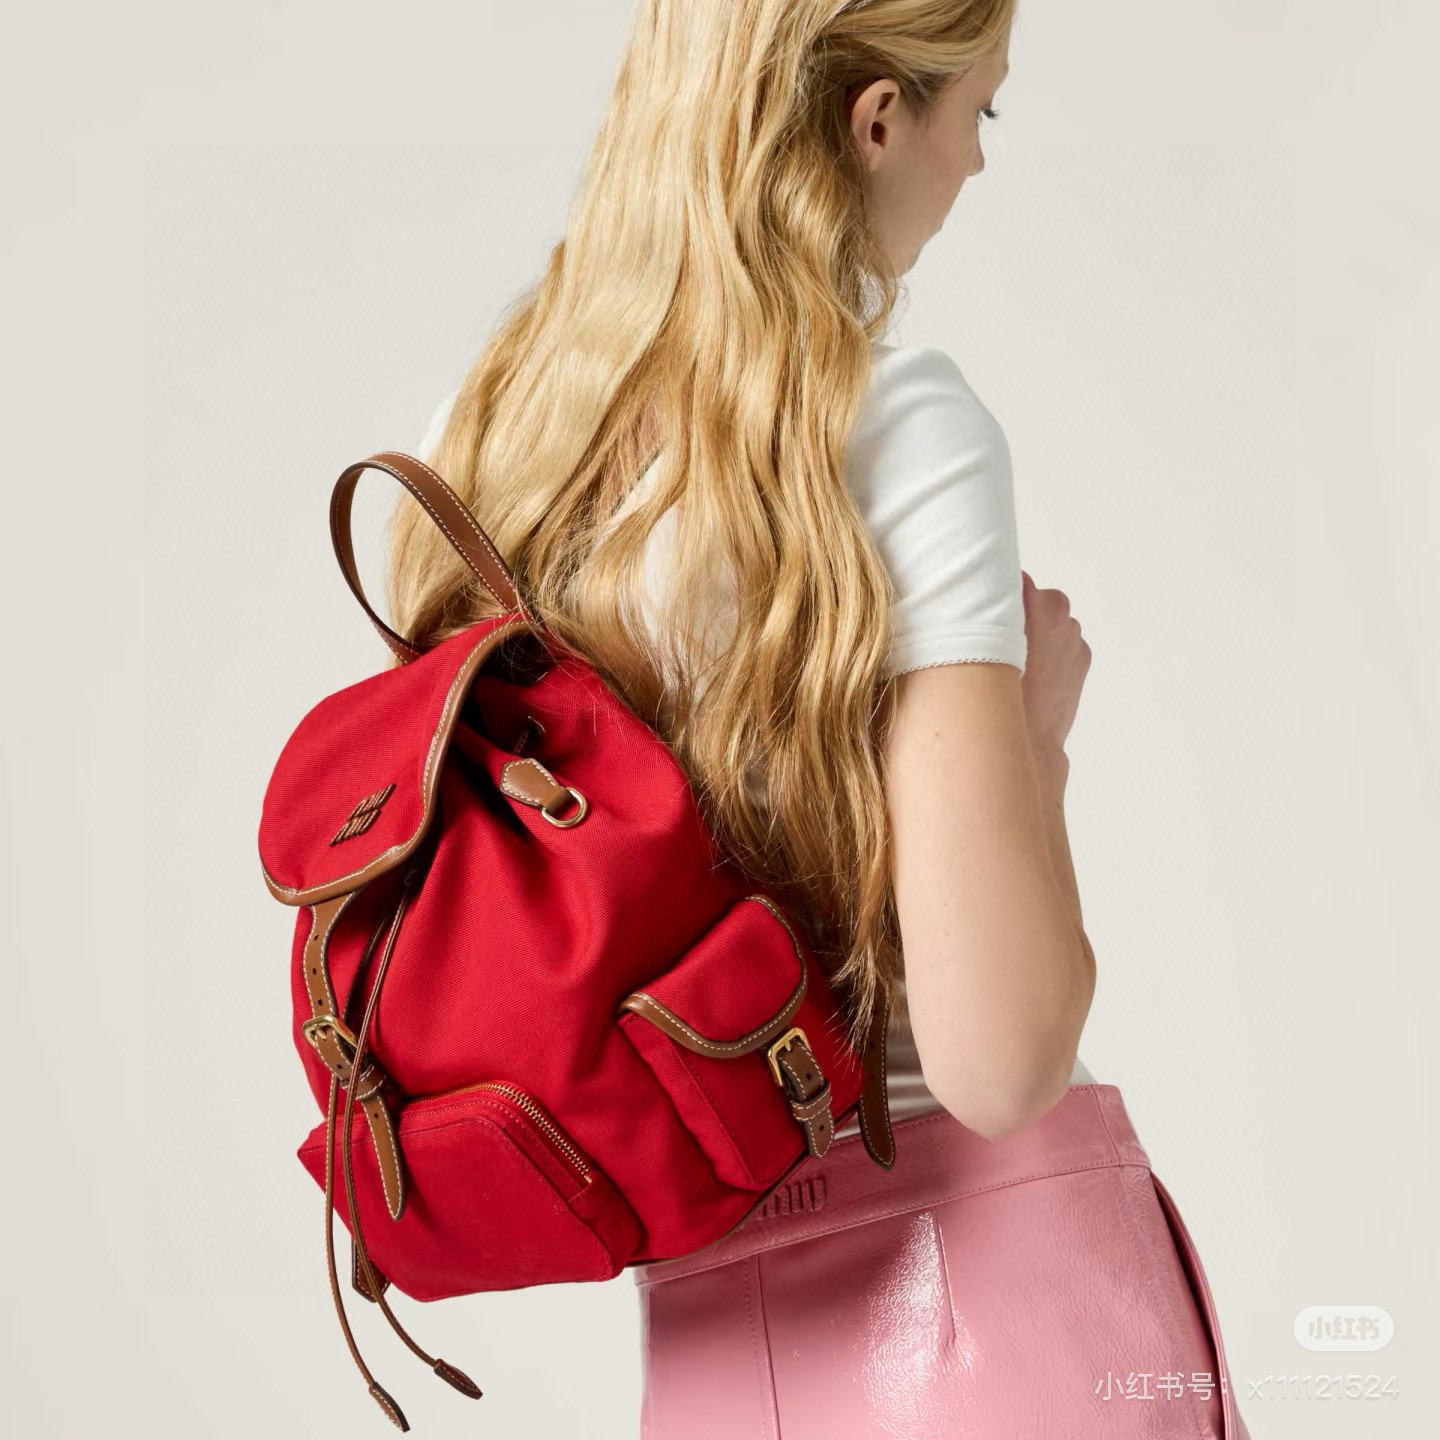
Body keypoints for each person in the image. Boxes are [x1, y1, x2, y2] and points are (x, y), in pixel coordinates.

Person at [400, 2, 1252, 1435]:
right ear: (875, 120)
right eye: (980, 110)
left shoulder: (485, 456)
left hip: (711, 1342)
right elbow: (995, 1058)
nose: (977, 161)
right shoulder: (897, 429)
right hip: (989, 1314)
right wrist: (1034, 750)